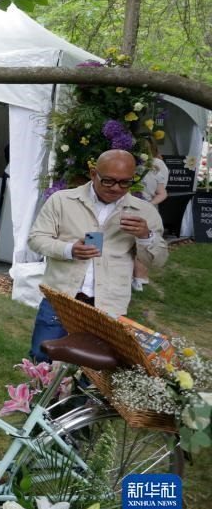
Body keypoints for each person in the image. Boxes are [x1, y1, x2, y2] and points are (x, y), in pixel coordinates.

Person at [27, 149, 169, 361]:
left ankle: (79, 386)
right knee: (42, 357)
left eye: (125, 183)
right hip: (62, 297)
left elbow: (158, 261)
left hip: (108, 303)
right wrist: (69, 249)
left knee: (95, 367)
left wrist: (145, 236)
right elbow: (36, 239)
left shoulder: (144, 211)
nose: (116, 188)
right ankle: (42, 382)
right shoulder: (62, 200)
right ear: (93, 174)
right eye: (108, 181)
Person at [133, 139, 169, 291]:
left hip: (144, 208)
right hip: (143, 206)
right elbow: (162, 192)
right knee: (141, 242)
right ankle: (139, 278)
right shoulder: (154, 164)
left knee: (142, 241)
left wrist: (148, 204)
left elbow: (162, 193)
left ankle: (139, 277)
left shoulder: (153, 165)